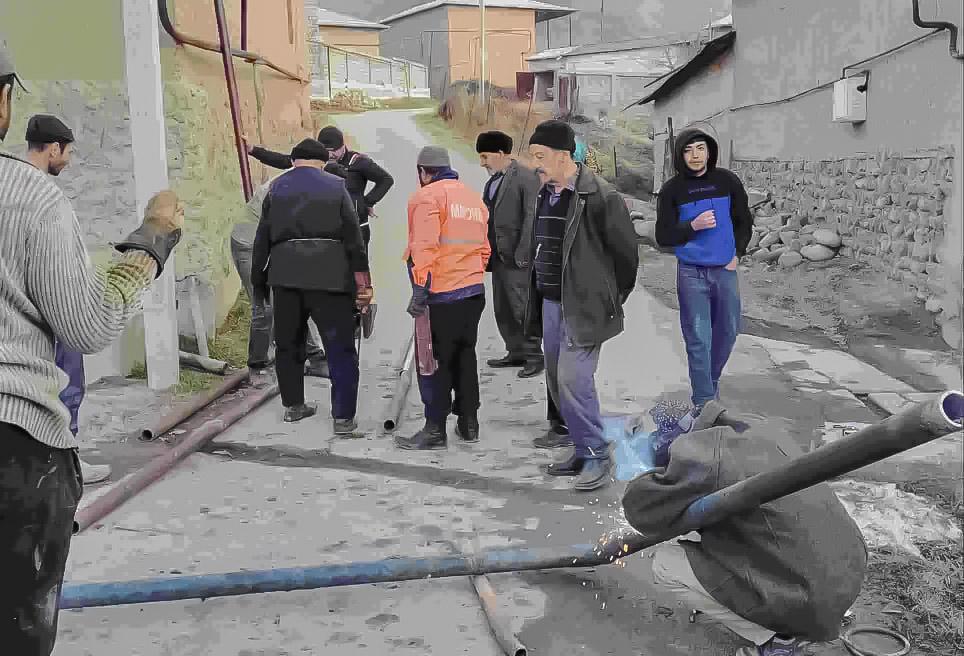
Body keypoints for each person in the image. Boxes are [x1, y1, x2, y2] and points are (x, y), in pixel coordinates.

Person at [0, 39, 184, 654]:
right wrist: (151, 243)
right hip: (14, 446)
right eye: (66, 150)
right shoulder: (28, 194)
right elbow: (89, 323)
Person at [622, 400, 867, 656]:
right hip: (846, 575)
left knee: (664, 564)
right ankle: (797, 614)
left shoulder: (702, 455)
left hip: (809, 596)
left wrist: (642, 457)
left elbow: (641, 512)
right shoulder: (758, 426)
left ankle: (779, 640)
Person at [524, 120, 638, 491]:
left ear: (563, 156)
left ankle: (596, 454)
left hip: (584, 304)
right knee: (558, 381)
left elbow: (626, 258)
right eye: (533, 157)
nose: (536, 164)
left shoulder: (600, 197)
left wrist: (607, 298)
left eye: (541, 157)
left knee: (575, 380)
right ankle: (580, 445)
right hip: (551, 301)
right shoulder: (547, 192)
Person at [251, 138, 373, 429]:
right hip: (330, 278)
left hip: (285, 278)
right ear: (321, 162)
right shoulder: (335, 186)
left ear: (294, 161)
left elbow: (262, 239)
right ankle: (343, 417)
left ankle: (294, 406)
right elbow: (354, 240)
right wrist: (363, 283)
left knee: (288, 344)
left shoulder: (276, 188)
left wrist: (259, 283)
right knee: (340, 347)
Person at [24, 113, 112, 484]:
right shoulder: (44, 197)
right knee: (66, 385)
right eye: (68, 152)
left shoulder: (10, 186)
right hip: (50, 308)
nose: (70, 161)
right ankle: (66, 466)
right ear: (54, 149)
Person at [395, 146, 490, 450]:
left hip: (442, 296)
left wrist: (420, 291)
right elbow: (485, 249)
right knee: (465, 356)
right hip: (473, 293)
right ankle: (469, 423)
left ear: (423, 172)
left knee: (433, 362)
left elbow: (424, 248)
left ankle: (434, 428)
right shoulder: (473, 198)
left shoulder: (427, 197)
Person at [654, 127, 752, 422]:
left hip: (725, 270)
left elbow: (743, 221)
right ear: (679, 155)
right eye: (688, 150)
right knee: (698, 337)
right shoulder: (673, 190)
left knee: (728, 331)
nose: (695, 156)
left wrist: (738, 254)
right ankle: (704, 402)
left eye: (700, 148)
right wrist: (692, 226)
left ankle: (708, 385)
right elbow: (663, 236)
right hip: (691, 273)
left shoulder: (727, 182)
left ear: (709, 151)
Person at [230, 173, 326, 374]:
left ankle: (315, 356)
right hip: (248, 245)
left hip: (272, 243)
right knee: (264, 306)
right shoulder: (284, 192)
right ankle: (257, 364)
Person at [244, 125, 393, 246]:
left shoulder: (359, 162)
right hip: (327, 230)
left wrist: (367, 202)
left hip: (357, 227)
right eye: (326, 151)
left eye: (334, 151)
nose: (330, 155)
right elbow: (282, 161)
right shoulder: (313, 158)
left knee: (358, 271)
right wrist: (253, 150)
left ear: (343, 146)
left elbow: (386, 180)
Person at [475, 130, 544, 378]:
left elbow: (531, 217)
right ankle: (515, 351)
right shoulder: (492, 181)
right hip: (498, 256)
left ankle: (535, 356)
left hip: (518, 256)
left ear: (501, 154)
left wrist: (524, 253)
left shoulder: (526, 177)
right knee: (502, 307)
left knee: (522, 307)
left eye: (485, 157)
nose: (482, 163)